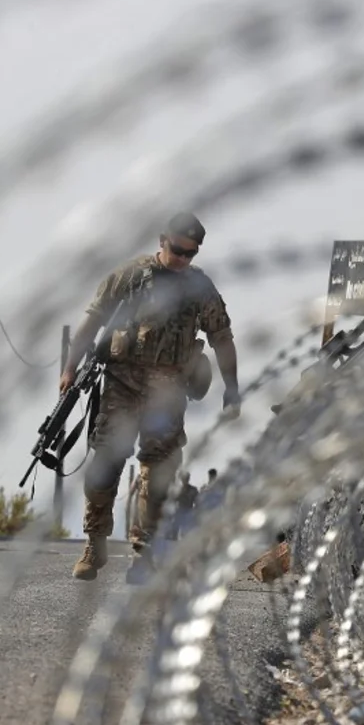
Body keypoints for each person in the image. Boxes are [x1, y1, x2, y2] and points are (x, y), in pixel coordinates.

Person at [63, 211, 241, 580]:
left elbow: (221, 337)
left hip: (169, 393)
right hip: (122, 386)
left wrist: (232, 387)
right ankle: (94, 542)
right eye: (177, 250)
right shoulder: (128, 277)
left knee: (158, 476)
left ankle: (144, 554)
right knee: (104, 468)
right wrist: (69, 368)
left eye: (190, 254)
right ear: (163, 240)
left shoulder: (199, 288)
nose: (182, 259)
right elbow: (93, 321)